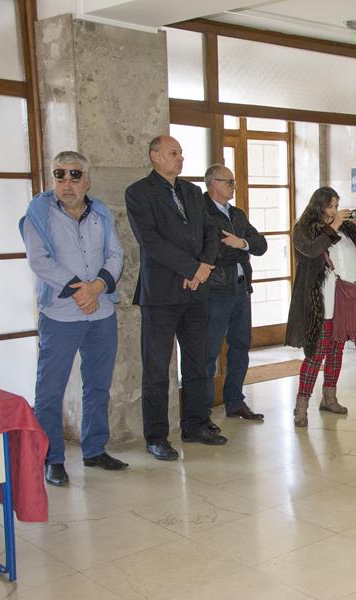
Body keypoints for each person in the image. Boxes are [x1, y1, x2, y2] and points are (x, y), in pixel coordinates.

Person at [21, 151, 127, 486]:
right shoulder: (39, 212)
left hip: (101, 312)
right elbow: (38, 260)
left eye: (75, 175)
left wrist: (96, 287)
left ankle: (94, 449)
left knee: (98, 385)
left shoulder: (101, 212)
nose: (67, 182)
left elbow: (116, 254)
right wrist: (79, 290)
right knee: (50, 391)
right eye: (60, 175)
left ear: (87, 180)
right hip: (60, 314)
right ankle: (52, 458)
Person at [125, 135, 226, 461]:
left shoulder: (192, 192)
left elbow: (211, 231)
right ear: (155, 156)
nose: (180, 158)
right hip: (161, 295)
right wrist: (192, 267)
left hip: (196, 291)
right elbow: (151, 241)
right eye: (173, 153)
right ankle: (156, 437)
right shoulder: (138, 193)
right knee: (156, 370)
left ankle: (195, 424)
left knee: (197, 363)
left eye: (181, 153)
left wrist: (204, 267)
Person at [287, 187, 356, 427]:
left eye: (336, 205)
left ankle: (329, 397)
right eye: (330, 205)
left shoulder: (345, 229)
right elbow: (312, 250)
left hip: (345, 299)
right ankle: (301, 406)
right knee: (316, 352)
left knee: (336, 350)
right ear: (318, 206)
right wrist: (333, 226)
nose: (334, 210)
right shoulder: (304, 229)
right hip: (320, 300)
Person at [203, 164, 267, 421]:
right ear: (212, 183)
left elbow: (261, 245)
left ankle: (234, 401)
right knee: (208, 352)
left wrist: (241, 243)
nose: (233, 186)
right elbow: (215, 252)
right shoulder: (203, 212)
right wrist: (243, 249)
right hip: (216, 290)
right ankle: (202, 411)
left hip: (241, 289)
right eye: (228, 182)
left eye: (233, 181)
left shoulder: (237, 214)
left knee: (240, 346)